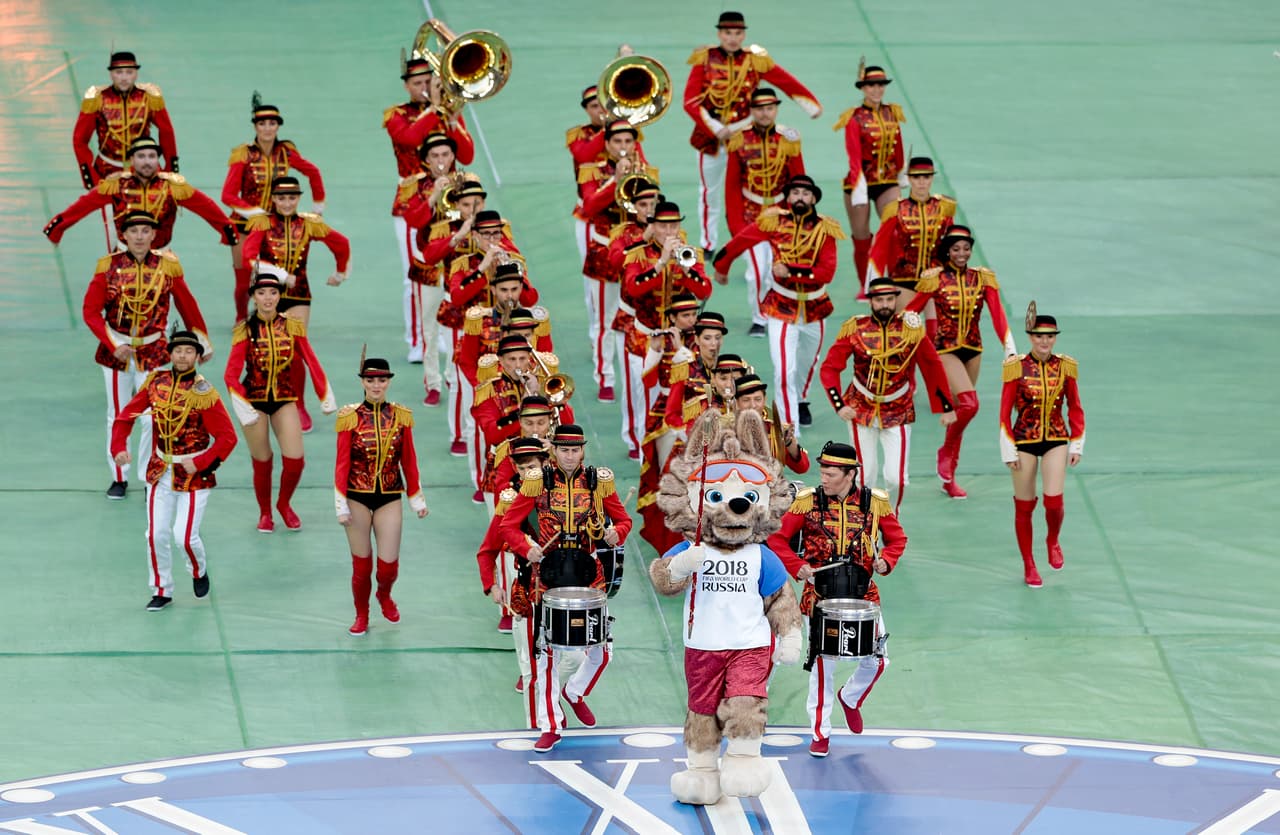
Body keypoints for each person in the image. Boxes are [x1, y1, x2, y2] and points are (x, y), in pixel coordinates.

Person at [499, 424, 633, 753]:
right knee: (545, 651)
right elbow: (508, 525)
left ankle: (575, 693)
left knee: (601, 649)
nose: (570, 456)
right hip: (550, 570)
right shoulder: (536, 481)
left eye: (575, 450)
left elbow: (623, 520)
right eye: (564, 450)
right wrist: (525, 547)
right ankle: (551, 725)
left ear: (582, 451)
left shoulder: (598, 481)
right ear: (554, 451)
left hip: (588, 570)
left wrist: (618, 533)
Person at [766, 443, 904, 755]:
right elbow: (777, 539)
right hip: (820, 596)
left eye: (830, 474)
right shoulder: (807, 502)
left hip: (863, 594)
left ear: (850, 474)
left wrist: (887, 560)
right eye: (822, 473)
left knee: (879, 660)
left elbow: (897, 539)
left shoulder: (874, 503)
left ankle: (851, 698)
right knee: (822, 667)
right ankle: (821, 733)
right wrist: (797, 566)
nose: (824, 479)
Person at [83, 210, 210, 499]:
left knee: (153, 416)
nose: (139, 237)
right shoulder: (108, 267)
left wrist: (202, 341)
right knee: (117, 413)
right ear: (123, 235)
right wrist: (113, 342)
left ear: (154, 235)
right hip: (116, 353)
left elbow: (187, 304)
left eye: (145, 231)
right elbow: (90, 312)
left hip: (153, 351)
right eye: (134, 231)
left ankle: (148, 476)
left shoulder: (168, 268)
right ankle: (119, 475)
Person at [110, 331, 237, 612]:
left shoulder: (204, 392)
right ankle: (162, 589)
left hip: (193, 474)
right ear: (169, 354)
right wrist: (118, 446)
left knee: (185, 536)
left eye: (189, 351)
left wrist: (202, 462)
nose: (182, 356)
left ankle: (198, 570)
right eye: (178, 350)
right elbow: (126, 415)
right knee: (155, 535)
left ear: (197, 357)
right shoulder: (156, 383)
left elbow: (228, 438)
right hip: (159, 470)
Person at [683, 11, 821, 252]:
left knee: (747, 191)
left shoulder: (755, 59)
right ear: (719, 34)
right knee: (709, 192)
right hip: (710, 140)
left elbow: (785, 81)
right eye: (727, 33)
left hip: (745, 138)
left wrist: (810, 105)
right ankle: (708, 243)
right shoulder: (704, 59)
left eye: (737, 33)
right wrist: (716, 129)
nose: (733, 38)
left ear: (744, 34)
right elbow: (690, 101)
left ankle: (746, 238)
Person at [713, 174, 842, 430]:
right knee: (784, 372)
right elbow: (740, 242)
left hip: (815, 307)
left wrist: (792, 271)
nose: (800, 198)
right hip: (781, 307)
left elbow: (827, 272)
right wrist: (721, 265)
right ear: (788, 197)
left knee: (808, 363)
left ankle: (802, 399)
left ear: (814, 198)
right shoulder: (773, 222)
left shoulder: (826, 229)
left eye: (806, 194)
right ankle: (789, 430)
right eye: (795, 193)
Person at [819, 278, 955, 512]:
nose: (885, 304)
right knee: (864, 476)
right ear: (870, 302)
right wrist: (839, 404)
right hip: (860, 409)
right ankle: (864, 523)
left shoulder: (910, 330)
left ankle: (891, 518)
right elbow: (830, 367)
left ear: (895, 301)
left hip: (898, 409)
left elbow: (931, 365)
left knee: (897, 478)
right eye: (879, 299)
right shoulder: (855, 328)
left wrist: (946, 405)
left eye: (890, 299)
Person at [905, 225, 1017, 498]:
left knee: (961, 412)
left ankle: (949, 477)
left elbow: (997, 314)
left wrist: (1010, 347)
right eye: (956, 249)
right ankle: (944, 455)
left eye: (966, 248)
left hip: (973, 349)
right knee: (970, 404)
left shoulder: (982, 279)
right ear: (947, 251)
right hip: (945, 350)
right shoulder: (935, 279)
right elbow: (912, 309)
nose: (962, 253)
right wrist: (912, 328)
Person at [224, 274, 336, 533]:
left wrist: (324, 394)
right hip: (254, 401)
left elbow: (310, 359)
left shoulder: (293, 326)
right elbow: (231, 373)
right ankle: (265, 512)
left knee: (296, 460)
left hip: (285, 398)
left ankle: (284, 504)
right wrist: (242, 404)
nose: (267, 298)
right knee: (262, 461)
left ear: (279, 296)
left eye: (273, 293)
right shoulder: (245, 330)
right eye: (262, 293)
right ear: (253, 296)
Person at [240, 175, 350, 431]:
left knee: (296, 348)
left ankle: (298, 404)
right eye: (281, 198)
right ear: (274, 199)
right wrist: (280, 276)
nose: (287, 203)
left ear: (299, 199)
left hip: (299, 293)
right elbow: (248, 258)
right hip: (267, 292)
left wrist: (340, 273)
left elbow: (341, 243)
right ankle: (261, 396)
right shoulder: (262, 223)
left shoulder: (308, 224)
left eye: (292, 198)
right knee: (263, 345)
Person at [384, 54, 475, 363]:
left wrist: (451, 118)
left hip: (451, 196)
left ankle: (447, 333)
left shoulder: (447, 112)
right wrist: (435, 107)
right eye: (418, 83)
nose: (425, 87)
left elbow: (468, 154)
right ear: (407, 86)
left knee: (452, 268)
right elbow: (408, 138)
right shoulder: (396, 114)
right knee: (415, 274)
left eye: (429, 82)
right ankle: (418, 342)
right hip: (415, 198)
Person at [335, 357, 429, 636]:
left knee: (387, 567)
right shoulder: (349, 417)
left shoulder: (401, 416)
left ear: (388, 382)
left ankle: (384, 595)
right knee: (361, 565)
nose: (376, 385)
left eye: (382, 380)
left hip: (389, 495)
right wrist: (340, 503)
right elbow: (342, 463)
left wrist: (416, 498)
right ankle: (361, 614)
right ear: (362, 382)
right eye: (370, 380)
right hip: (356, 496)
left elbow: (409, 460)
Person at [448, 220, 539, 496]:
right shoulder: (480, 318)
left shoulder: (529, 319)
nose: (511, 295)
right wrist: (482, 385)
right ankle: (481, 481)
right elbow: (466, 358)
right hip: (487, 382)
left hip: (522, 379)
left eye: (495, 234)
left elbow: (532, 297)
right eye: (485, 234)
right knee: (478, 431)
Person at [1000, 310, 1085, 587]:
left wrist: (1077, 443)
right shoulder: (1016, 367)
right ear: (1030, 337)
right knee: (1024, 506)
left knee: (1053, 501)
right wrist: (1008, 449)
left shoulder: (1066, 367)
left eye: (1049, 337)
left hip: (1056, 438)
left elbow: (1075, 407)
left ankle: (1052, 540)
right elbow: (1004, 413)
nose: (1045, 342)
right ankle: (1029, 563)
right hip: (1023, 439)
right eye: (1039, 337)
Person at [222, 95, 327, 320]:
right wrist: (254, 213)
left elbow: (313, 171)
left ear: (278, 125)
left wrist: (318, 205)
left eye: (272, 123)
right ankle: (241, 317)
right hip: (243, 224)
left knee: (274, 273)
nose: (267, 128)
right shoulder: (244, 154)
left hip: (275, 225)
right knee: (243, 279)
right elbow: (227, 195)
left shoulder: (286, 152)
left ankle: (276, 316)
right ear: (255, 126)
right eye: (262, 124)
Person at [577, 120, 658, 402]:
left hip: (639, 253)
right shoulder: (591, 171)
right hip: (605, 252)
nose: (623, 148)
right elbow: (589, 207)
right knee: (604, 319)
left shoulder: (646, 173)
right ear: (607, 145)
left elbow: (655, 209)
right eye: (618, 142)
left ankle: (644, 371)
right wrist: (615, 181)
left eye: (628, 142)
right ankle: (605, 376)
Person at [46, 136, 235, 251]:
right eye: (141, 156)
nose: (147, 162)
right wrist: (57, 228)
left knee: (184, 303)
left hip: (162, 260)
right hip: (123, 261)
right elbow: (82, 207)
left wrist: (229, 231)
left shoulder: (173, 187)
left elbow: (206, 208)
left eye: (152, 156)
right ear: (131, 160)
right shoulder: (116, 185)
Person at [723, 87, 806, 335]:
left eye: (770, 108)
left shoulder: (788, 139)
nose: (765, 113)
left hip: (782, 213)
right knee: (757, 271)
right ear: (752, 111)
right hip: (752, 216)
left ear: (776, 110)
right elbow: (731, 186)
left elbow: (799, 180)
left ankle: (782, 311)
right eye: (760, 109)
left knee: (782, 266)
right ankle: (760, 317)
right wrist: (736, 226)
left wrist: (800, 218)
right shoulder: (739, 140)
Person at [477, 436, 551, 693]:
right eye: (521, 469)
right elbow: (486, 551)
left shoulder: (565, 493)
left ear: (545, 462)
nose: (526, 473)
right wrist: (491, 585)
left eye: (532, 467)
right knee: (528, 648)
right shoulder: (509, 500)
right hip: (528, 584)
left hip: (564, 581)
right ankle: (530, 676)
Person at [834, 63, 905, 283]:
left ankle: (894, 280)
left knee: (895, 231)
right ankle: (867, 285)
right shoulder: (854, 118)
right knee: (862, 236)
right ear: (863, 88)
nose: (876, 90)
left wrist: (901, 173)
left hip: (888, 180)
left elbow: (899, 148)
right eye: (871, 86)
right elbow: (853, 155)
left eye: (880, 85)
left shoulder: (892, 112)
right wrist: (858, 187)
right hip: (860, 181)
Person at [608, 176, 661, 456]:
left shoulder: (672, 233)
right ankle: (633, 437)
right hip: (631, 316)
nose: (649, 207)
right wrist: (645, 239)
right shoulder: (623, 232)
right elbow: (616, 261)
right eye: (644, 203)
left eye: (653, 202)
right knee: (633, 384)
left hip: (662, 319)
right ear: (634, 206)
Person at [73, 51, 177, 193]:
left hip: (145, 172)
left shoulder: (149, 98)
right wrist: (91, 176)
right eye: (119, 72)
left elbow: (167, 132)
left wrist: (170, 170)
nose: (124, 78)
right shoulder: (97, 100)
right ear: (111, 74)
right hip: (108, 172)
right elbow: (80, 140)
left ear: (136, 74)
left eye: (129, 72)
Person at [866, 156, 955, 307]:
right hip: (903, 279)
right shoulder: (895, 209)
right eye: (916, 177)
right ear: (909, 179)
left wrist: (952, 277)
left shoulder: (944, 207)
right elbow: (879, 247)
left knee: (937, 329)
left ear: (932, 178)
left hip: (935, 277)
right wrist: (876, 282)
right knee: (905, 327)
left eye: (926, 177)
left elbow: (951, 245)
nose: (921, 182)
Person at [733, 374, 810, 473]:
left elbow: (802, 468)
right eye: (746, 400)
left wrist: (789, 443)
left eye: (758, 399)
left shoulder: (775, 430)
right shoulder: (727, 430)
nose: (753, 405)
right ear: (737, 403)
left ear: (764, 400)